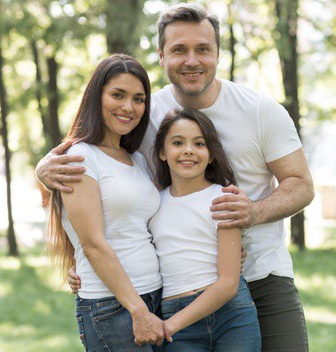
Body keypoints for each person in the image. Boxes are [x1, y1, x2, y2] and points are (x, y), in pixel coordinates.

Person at [37, 3, 314, 351]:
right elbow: (101, 175)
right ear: (162, 55)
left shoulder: (260, 110)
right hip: (176, 289)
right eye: (179, 50)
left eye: (203, 49)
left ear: (217, 54)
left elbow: (301, 185)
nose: (192, 60)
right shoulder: (145, 114)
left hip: (261, 273)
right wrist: (43, 172)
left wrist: (252, 213)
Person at [46, 54, 166, 351]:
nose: (129, 107)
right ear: (95, 97)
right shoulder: (81, 157)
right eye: (117, 95)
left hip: (153, 295)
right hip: (113, 306)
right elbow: (94, 244)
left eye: (139, 99)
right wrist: (138, 310)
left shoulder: (136, 158)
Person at [151, 109, 261, 351]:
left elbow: (228, 283)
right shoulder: (151, 203)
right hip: (179, 322)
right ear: (162, 152)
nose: (188, 150)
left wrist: (167, 327)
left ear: (211, 155)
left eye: (199, 144)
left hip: (231, 316)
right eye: (178, 142)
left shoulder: (223, 198)